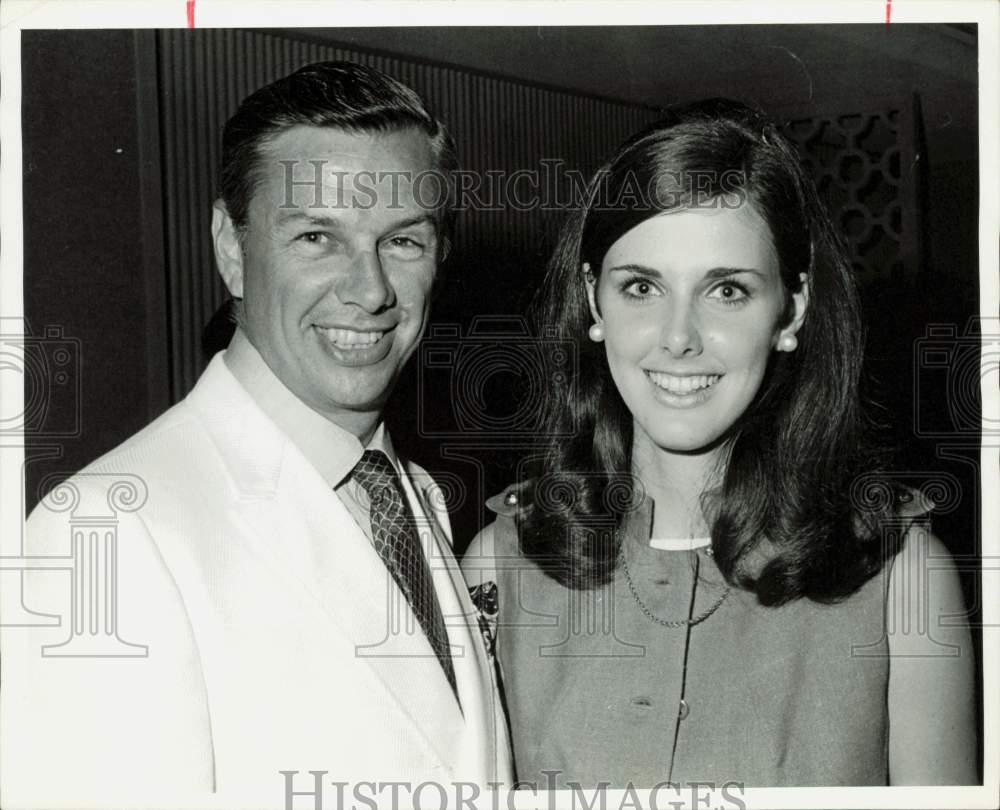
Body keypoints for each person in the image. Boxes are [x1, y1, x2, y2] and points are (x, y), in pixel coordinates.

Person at [2, 62, 511, 807]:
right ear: (232, 248)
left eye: (403, 241)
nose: (368, 291)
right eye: (315, 236)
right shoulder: (102, 536)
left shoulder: (416, 501)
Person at [462, 99, 976, 788]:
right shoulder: (502, 563)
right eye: (641, 287)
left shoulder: (900, 577)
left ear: (790, 310)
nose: (678, 337)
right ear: (592, 302)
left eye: (727, 290)